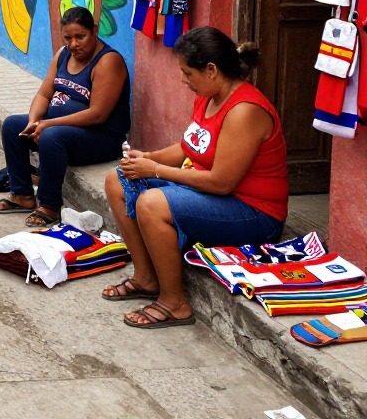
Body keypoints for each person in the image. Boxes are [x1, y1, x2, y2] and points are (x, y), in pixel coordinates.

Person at [103, 27, 287, 329]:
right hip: (218, 198)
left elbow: (221, 182)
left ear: (211, 70)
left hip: (253, 214)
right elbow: (189, 147)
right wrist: (147, 158)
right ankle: (146, 278)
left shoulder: (245, 110)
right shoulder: (208, 96)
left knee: (151, 203)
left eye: (188, 73)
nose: (183, 80)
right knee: (117, 180)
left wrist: (156, 171)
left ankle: (174, 303)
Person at [0, 6, 130, 228]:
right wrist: (34, 122)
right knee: (12, 125)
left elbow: (98, 114)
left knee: (51, 136)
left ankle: (49, 205)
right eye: (68, 38)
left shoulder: (108, 61)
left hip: (101, 138)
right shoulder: (63, 54)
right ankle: (22, 195)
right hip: (59, 130)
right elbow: (44, 93)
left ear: (94, 31)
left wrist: (48, 124)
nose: (74, 44)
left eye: (80, 37)